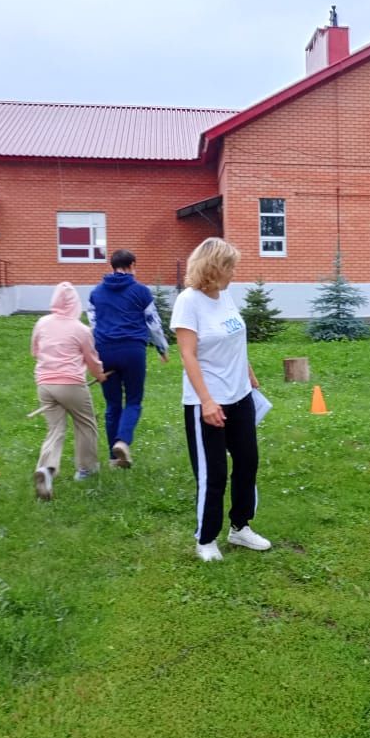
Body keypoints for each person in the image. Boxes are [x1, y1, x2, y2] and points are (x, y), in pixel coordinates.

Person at [170, 237, 270, 562]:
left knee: (247, 463)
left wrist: (249, 372)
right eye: (230, 267)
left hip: (240, 395)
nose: (234, 273)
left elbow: (234, 338)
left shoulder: (226, 295)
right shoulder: (189, 301)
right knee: (212, 473)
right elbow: (188, 355)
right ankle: (206, 539)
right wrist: (207, 401)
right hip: (208, 401)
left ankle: (240, 527)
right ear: (214, 267)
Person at [86, 249, 169, 469]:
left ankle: (114, 459)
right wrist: (161, 348)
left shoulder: (96, 293)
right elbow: (153, 323)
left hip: (105, 350)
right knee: (133, 400)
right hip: (133, 350)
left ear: (112, 266)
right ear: (132, 264)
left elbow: (93, 325)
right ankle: (122, 442)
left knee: (112, 404)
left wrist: (97, 353)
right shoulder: (141, 291)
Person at [31, 282, 108, 500]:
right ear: (76, 304)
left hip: (44, 384)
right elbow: (92, 359)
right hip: (71, 384)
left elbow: (35, 351)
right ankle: (86, 468)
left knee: (55, 429)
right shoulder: (81, 329)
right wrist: (99, 375)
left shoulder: (41, 323)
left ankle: (46, 469)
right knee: (85, 423)